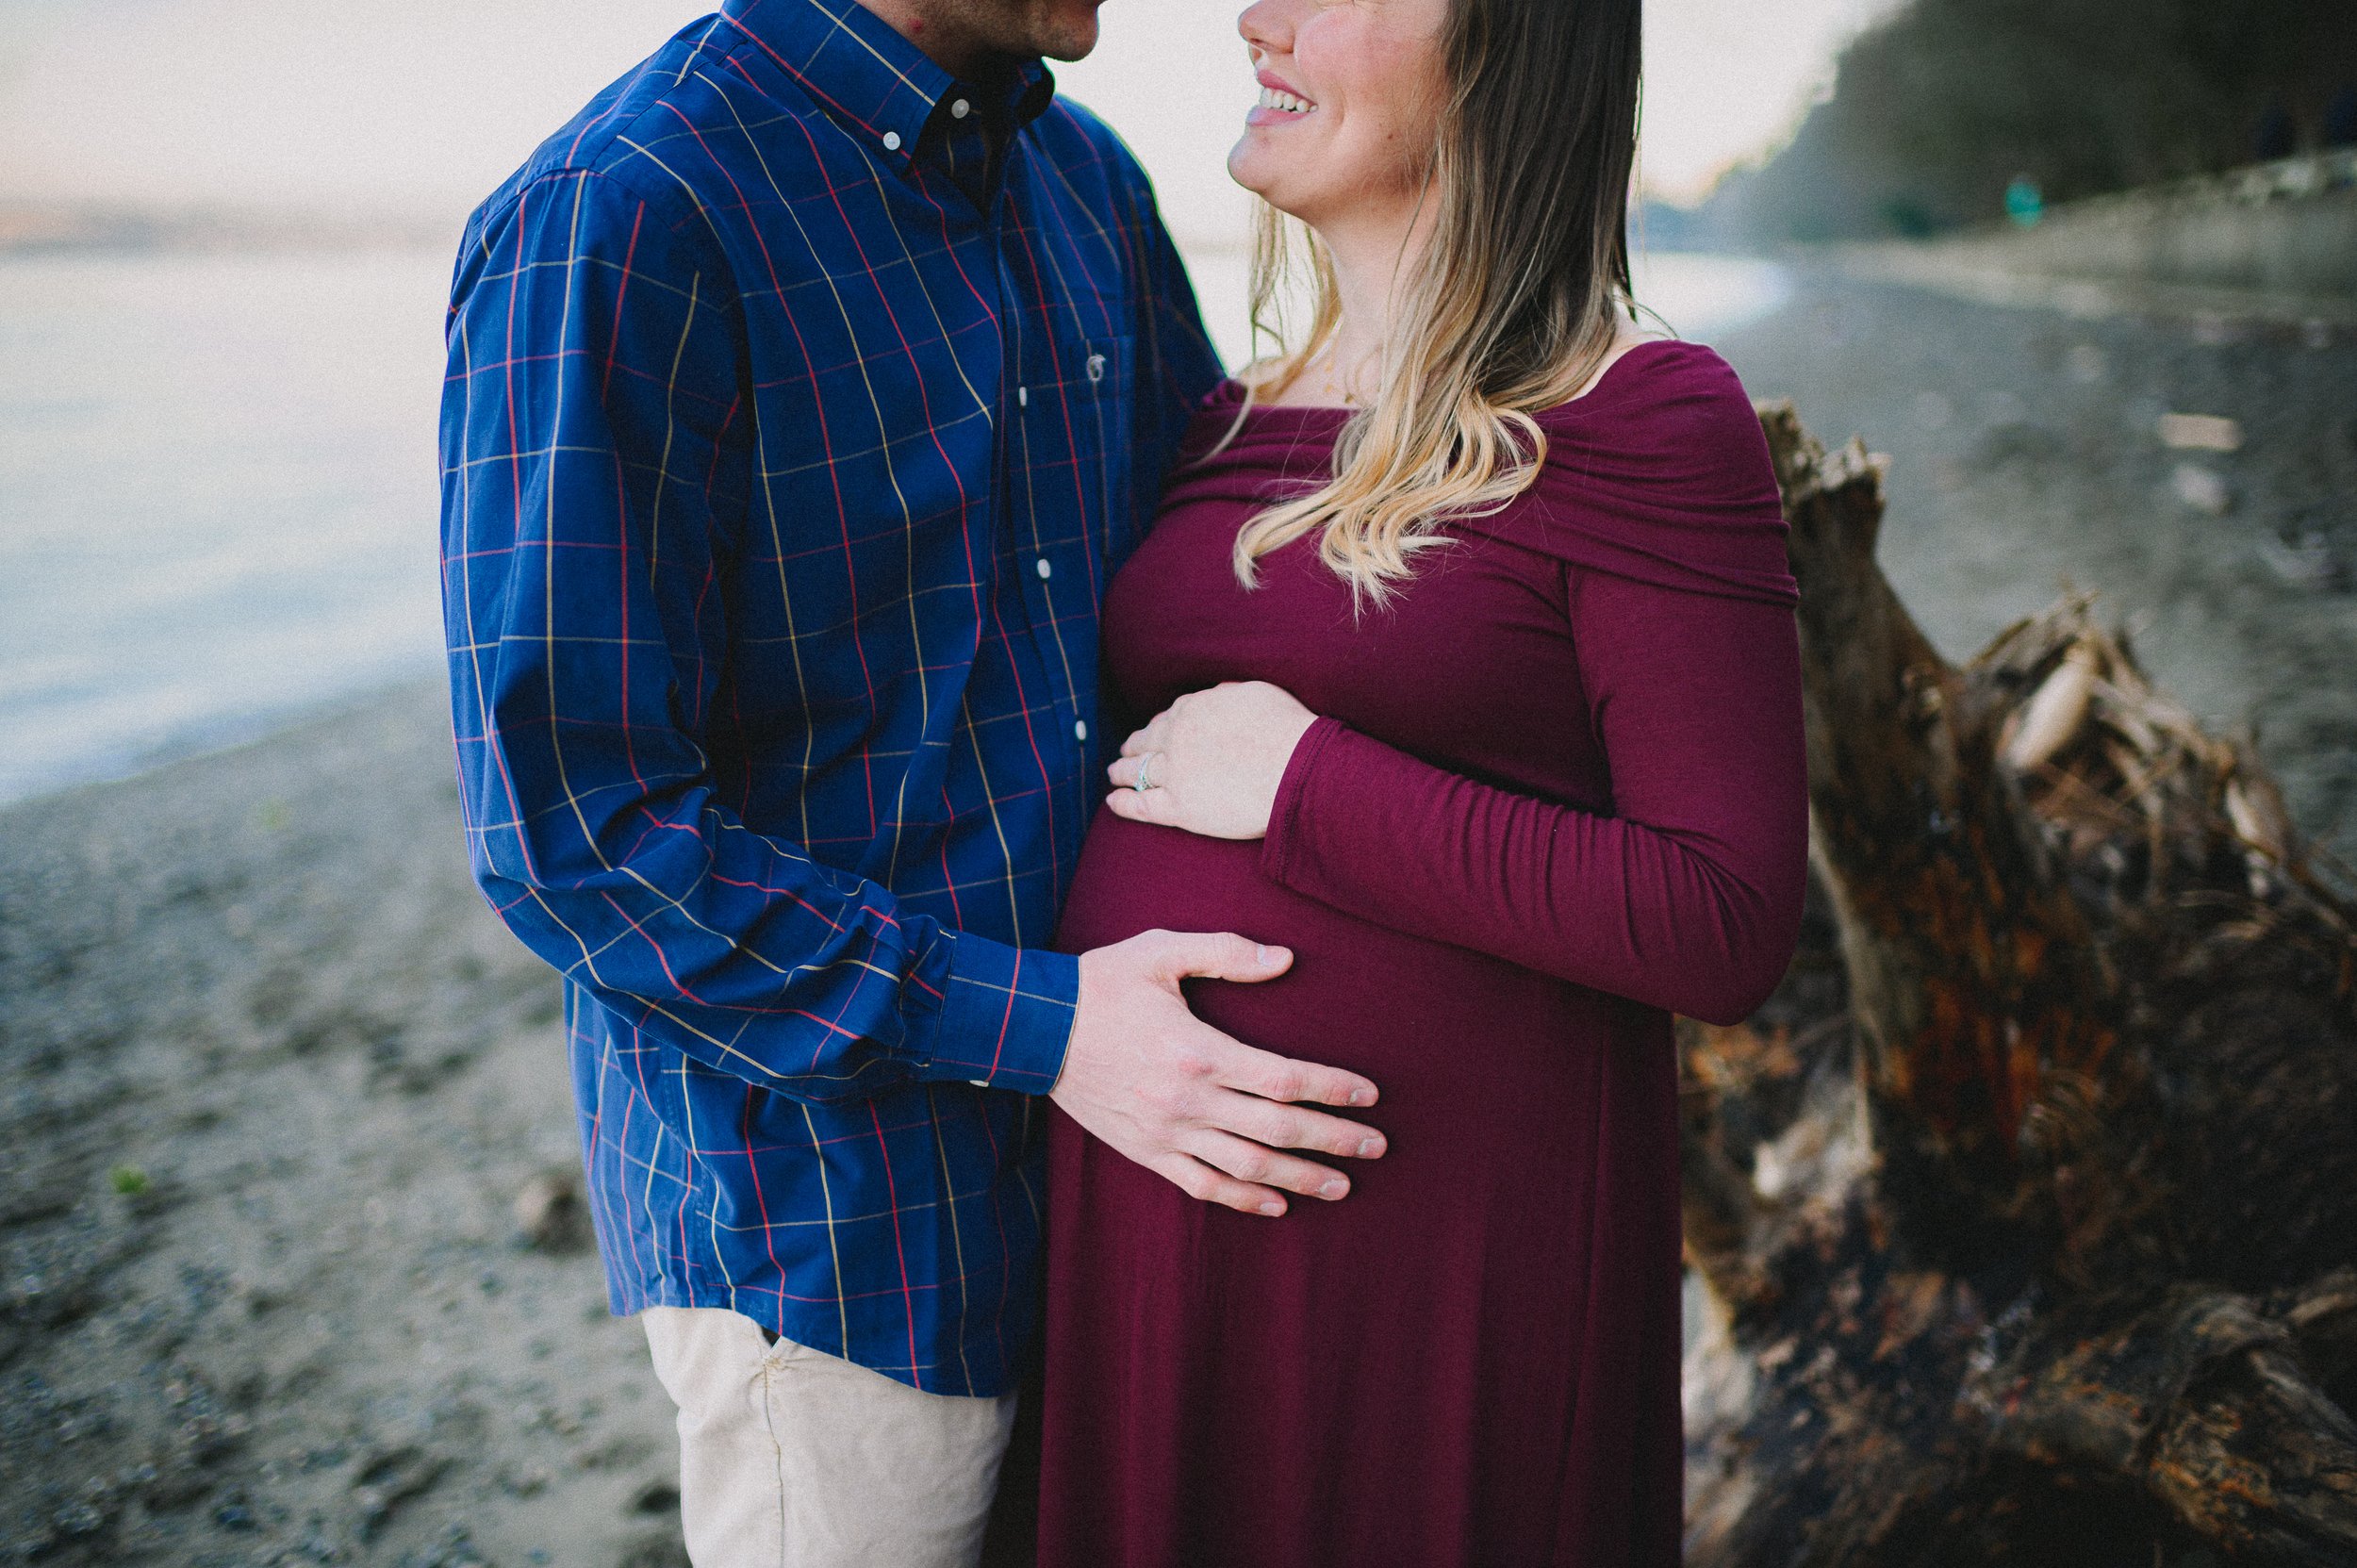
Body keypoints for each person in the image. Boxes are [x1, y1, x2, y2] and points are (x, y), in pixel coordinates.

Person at [434, 0, 1389, 1562]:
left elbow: (1205, 586)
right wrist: (1047, 1026)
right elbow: (574, 837)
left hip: (1134, 1171)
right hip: (840, 1237)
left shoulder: (1083, 179)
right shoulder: (625, 213)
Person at [1033, 0, 1809, 1560]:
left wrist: (1311, 787)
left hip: (1446, 1270)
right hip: (1154, 1230)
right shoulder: (1219, 417)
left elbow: (1722, 916)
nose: (1259, 15)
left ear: (1502, 52)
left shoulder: (1640, 417)